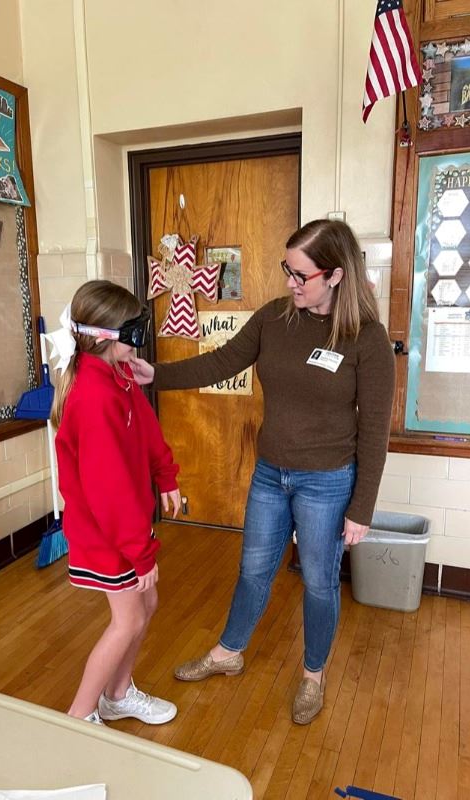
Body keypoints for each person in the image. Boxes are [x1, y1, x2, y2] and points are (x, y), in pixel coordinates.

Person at [131, 219, 395, 725]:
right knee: (253, 569)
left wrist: (361, 508)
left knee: (319, 583)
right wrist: (155, 375)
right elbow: (222, 361)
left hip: (327, 481)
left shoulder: (367, 340)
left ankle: (313, 674)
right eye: (287, 271)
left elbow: (374, 435)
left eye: (301, 275)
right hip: (271, 474)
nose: (291, 283)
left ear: (336, 275)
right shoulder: (276, 318)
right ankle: (229, 653)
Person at [48, 280, 181, 726]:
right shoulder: (92, 396)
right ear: (104, 336)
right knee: (127, 619)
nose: (140, 334)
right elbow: (109, 490)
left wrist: (166, 476)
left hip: (123, 528)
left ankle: (118, 694)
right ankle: (80, 717)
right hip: (105, 533)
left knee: (147, 604)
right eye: (132, 328)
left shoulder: (118, 378)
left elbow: (146, 432)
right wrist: (140, 556)